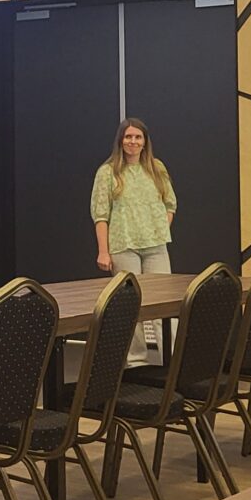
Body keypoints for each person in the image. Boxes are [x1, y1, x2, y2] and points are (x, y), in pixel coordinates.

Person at [90, 117, 177, 363]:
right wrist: (103, 251)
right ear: (120, 140)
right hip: (123, 247)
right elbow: (100, 215)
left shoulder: (157, 168)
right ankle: (135, 360)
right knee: (130, 306)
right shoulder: (107, 172)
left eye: (138, 137)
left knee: (163, 304)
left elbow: (170, 204)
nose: (133, 141)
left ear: (145, 141)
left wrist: (159, 228)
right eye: (128, 136)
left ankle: (172, 358)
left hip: (155, 247)